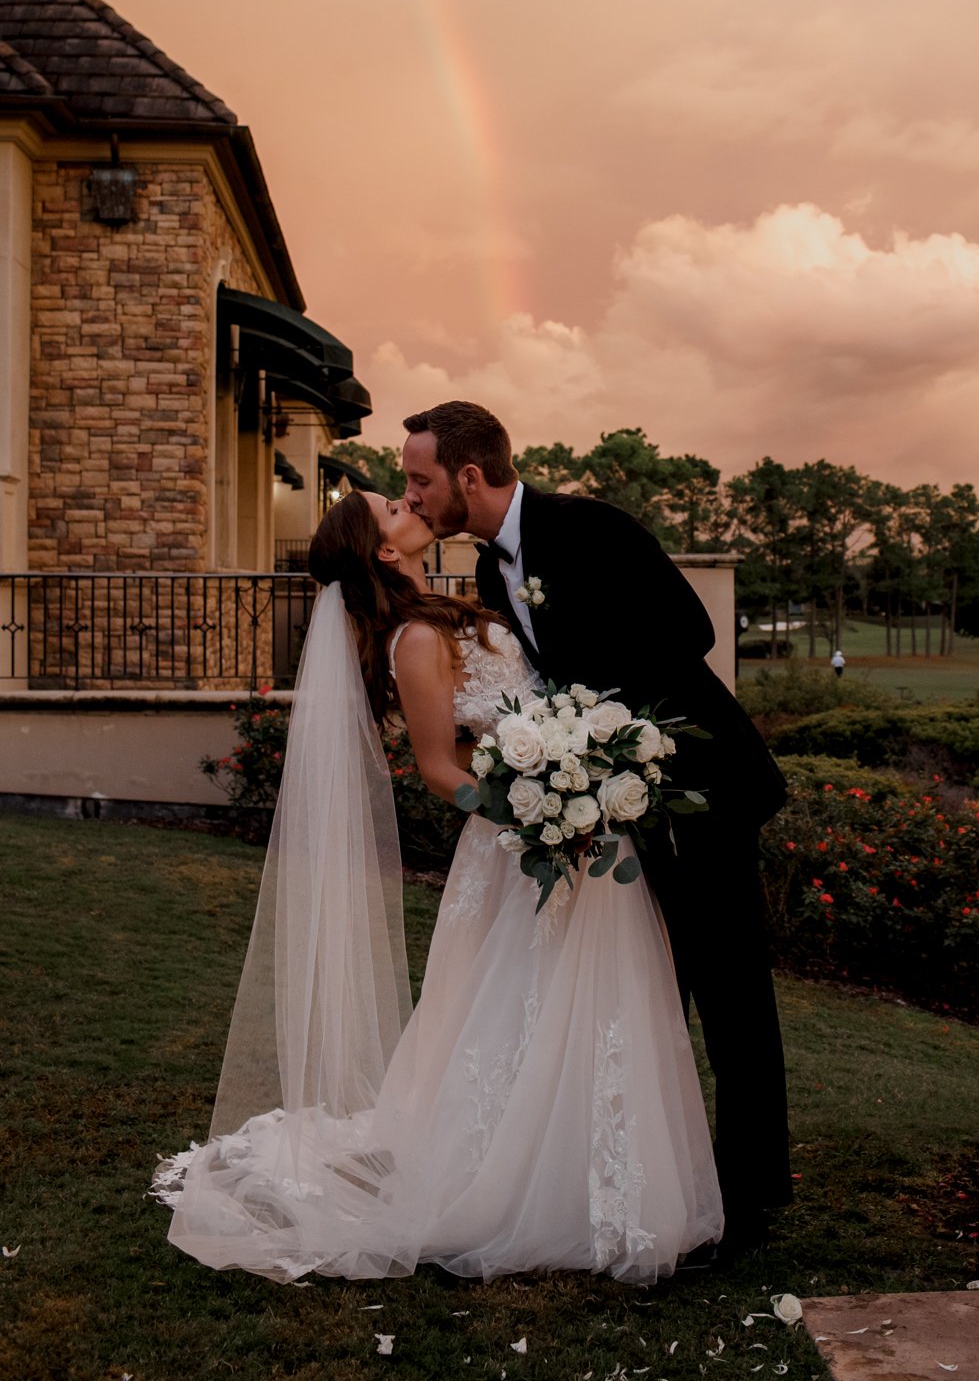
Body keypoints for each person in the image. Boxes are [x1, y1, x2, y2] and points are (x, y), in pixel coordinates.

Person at [154, 488, 722, 1284]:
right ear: (385, 550)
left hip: (577, 825)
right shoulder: (415, 637)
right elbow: (436, 769)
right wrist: (535, 811)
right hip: (523, 842)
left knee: (595, 995)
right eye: (392, 506)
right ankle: (520, 1184)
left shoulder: (458, 604)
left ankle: (600, 1167)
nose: (406, 500)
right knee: (520, 1001)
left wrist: (576, 781)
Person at [402, 399, 792, 1253]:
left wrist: (601, 720)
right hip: (611, 800)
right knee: (650, 994)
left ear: (469, 476)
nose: (414, 495)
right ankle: (656, 1184)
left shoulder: (588, 527)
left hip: (699, 787)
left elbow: (690, 630)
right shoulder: (488, 575)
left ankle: (753, 1199)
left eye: (420, 479)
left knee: (729, 995)